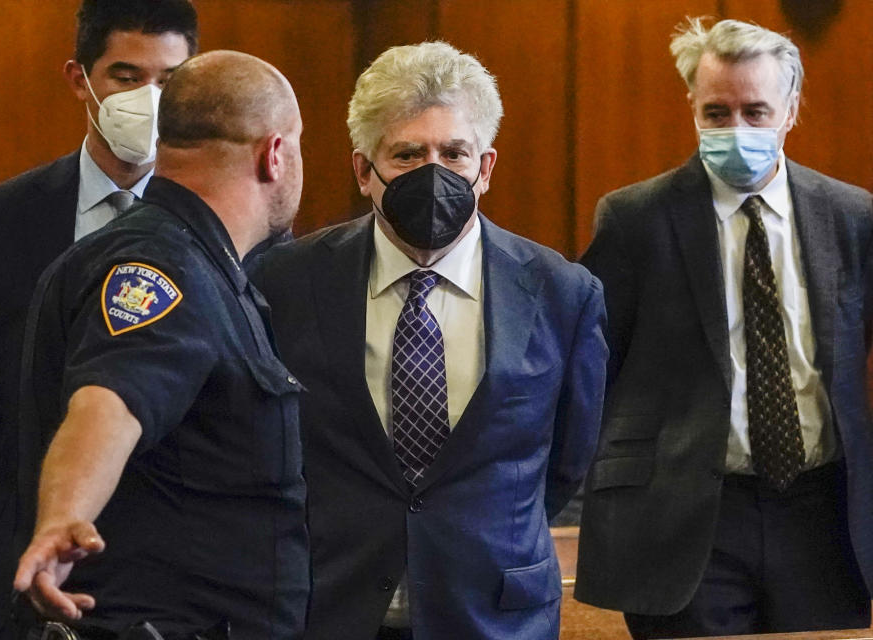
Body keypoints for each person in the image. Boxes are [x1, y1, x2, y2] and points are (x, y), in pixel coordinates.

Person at [248, 41, 607, 640]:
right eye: (408, 154)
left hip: (495, 611)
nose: (434, 172)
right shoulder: (284, 281)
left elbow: (568, 456)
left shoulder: (562, 292)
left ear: (485, 168)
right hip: (329, 605)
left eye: (454, 153)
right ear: (365, 170)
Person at [575, 17, 873, 638]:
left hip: (820, 514)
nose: (737, 130)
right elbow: (599, 364)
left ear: (792, 109)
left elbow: (853, 344)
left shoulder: (850, 213)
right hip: (688, 513)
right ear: (692, 106)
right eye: (717, 112)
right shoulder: (635, 218)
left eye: (756, 111)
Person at [12, 49, 308, 638]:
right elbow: (110, 401)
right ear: (275, 155)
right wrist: (67, 516)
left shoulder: (204, 262)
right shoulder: (163, 266)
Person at [0, 2, 196, 636]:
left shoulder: (226, 229)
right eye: (126, 76)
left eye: (170, 79)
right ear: (79, 79)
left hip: (163, 571)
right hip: (10, 564)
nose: (149, 98)